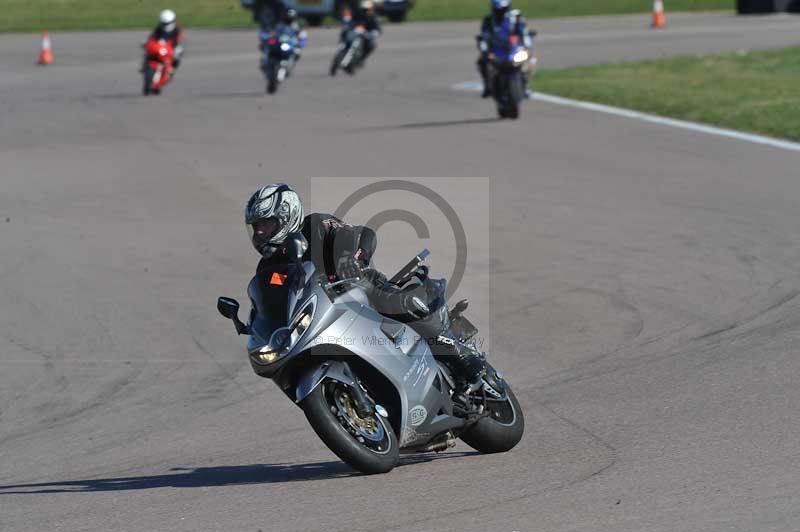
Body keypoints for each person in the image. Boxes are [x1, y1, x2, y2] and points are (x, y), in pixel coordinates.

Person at [244, 184, 493, 407]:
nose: (260, 233)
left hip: (356, 287)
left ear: (287, 215)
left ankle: (460, 357)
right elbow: (270, 302)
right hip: (323, 315)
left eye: (266, 224)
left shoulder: (314, 225)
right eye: (256, 228)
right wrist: (257, 325)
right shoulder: (266, 269)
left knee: (400, 304)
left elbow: (361, 234)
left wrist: (349, 257)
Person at [476, 0, 535, 98]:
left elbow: (524, 33)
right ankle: (487, 86)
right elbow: (483, 37)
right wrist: (484, 48)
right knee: (482, 62)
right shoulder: (488, 21)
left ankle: (525, 85)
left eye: (503, 10)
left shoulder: (515, 19)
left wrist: (527, 45)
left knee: (529, 59)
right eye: (498, 10)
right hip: (496, 52)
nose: (500, 12)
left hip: (513, 51)